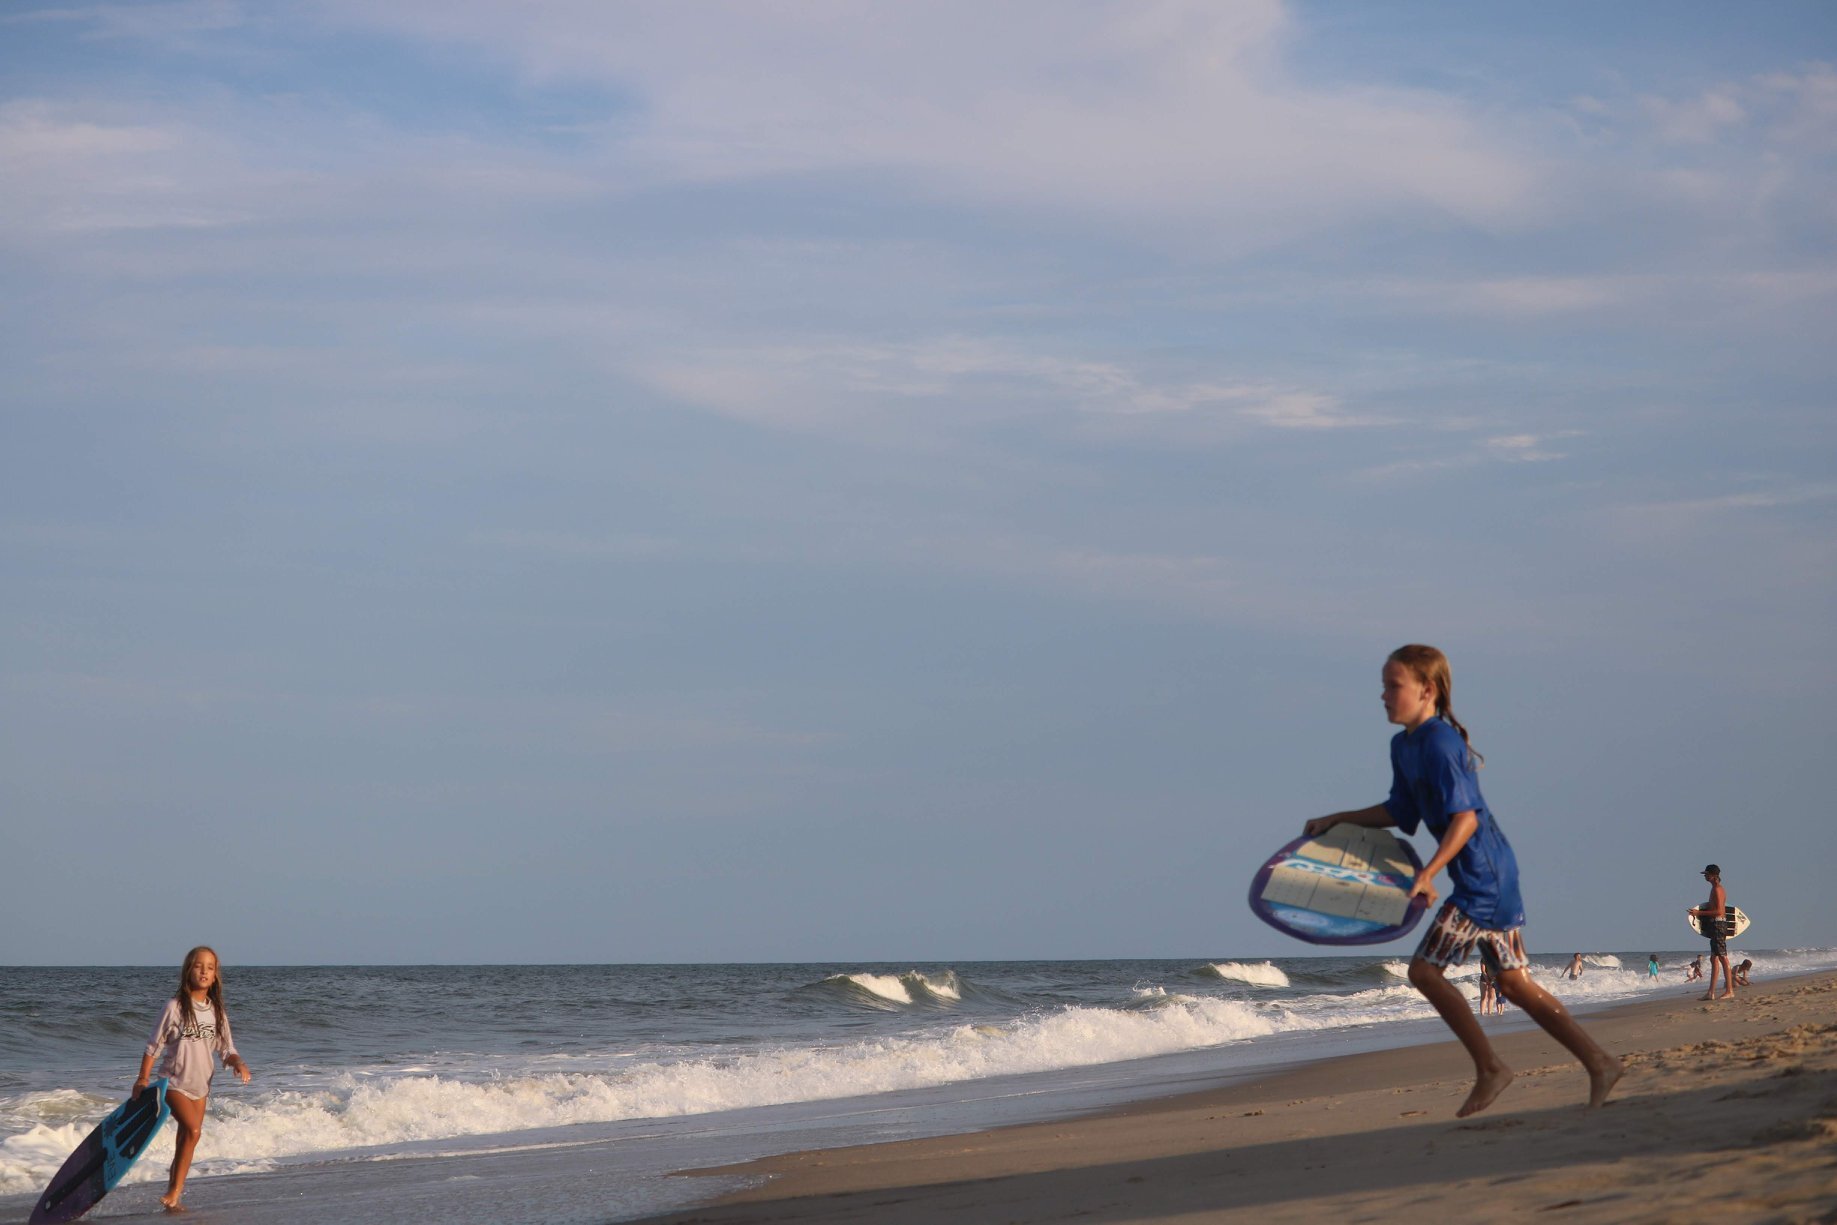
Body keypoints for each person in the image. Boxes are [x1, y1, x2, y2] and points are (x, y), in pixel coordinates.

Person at [1304, 645, 1620, 1117]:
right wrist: (1338, 818)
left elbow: (1467, 818)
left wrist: (1428, 873)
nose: (1384, 695)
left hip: (1484, 881)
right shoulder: (1403, 746)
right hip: (1487, 875)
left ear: (1427, 690)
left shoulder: (1440, 742)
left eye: (1394, 686)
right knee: (1513, 984)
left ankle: (1491, 1068)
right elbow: (1400, 811)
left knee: (1424, 972)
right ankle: (1599, 1062)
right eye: (1384, 686)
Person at [135, 946, 252, 1212]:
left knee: (187, 1139)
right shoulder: (174, 1007)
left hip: (201, 1087)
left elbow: (227, 1048)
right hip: (173, 1083)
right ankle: (174, 1192)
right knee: (193, 1131)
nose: (204, 971)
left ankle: (173, 1196)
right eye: (198, 966)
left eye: (210, 967)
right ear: (188, 970)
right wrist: (142, 1079)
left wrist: (238, 1063)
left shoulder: (217, 1012)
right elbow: (153, 1046)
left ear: (215, 975)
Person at [1688, 864, 1735, 1000]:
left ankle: (1730, 990)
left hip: (1718, 924)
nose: (1705, 876)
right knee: (1713, 958)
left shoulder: (1718, 890)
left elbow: (1719, 911)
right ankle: (1710, 993)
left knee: (1722, 957)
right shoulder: (1714, 889)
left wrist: (1699, 913)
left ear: (1714, 875)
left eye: (1707, 874)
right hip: (1715, 925)